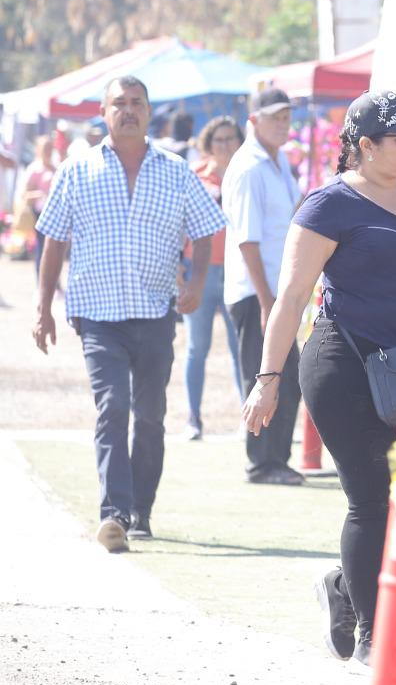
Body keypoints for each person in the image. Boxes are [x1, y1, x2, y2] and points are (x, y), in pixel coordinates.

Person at [239, 90, 396, 666]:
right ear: (364, 146)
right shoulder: (328, 206)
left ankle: (342, 589)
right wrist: (268, 376)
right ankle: (373, 637)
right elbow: (292, 297)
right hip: (343, 368)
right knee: (372, 498)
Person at [32, 76, 224, 552]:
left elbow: (205, 229)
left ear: (149, 111)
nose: (129, 111)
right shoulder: (76, 171)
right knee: (113, 405)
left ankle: (142, 509)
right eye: (119, 103)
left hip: (156, 311)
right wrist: (43, 310)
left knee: (152, 414)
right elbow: (53, 240)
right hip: (96, 315)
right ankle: (114, 513)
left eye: (137, 103)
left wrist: (197, 282)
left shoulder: (176, 171)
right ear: (103, 111)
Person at [222, 90, 305, 484]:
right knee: (265, 377)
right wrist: (265, 299)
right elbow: (247, 240)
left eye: (286, 117)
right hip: (257, 292)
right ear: (253, 120)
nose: (282, 124)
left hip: (279, 293)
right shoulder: (249, 168)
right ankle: (261, 461)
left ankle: (276, 460)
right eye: (274, 117)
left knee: (289, 378)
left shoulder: (279, 161)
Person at [180, 116, 246, 440]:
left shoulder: (245, 174)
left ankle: (249, 417)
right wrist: (178, 266)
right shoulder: (195, 175)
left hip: (237, 269)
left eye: (230, 138)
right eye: (218, 139)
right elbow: (180, 221)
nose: (224, 144)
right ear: (208, 142)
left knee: (240, 348)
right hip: (200, 270)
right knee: (197, 346)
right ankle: (193, 418)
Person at [16, 135, 57, 276]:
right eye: (45, 148)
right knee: (43, 247)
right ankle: (41, 280)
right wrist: (40, 194)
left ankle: (54, 282)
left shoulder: (53, 167)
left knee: (54, 248)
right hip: (39, 212)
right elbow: (25, 194)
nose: (48, 151)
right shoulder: (35, 169)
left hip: (54, 212)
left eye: (50, 148)